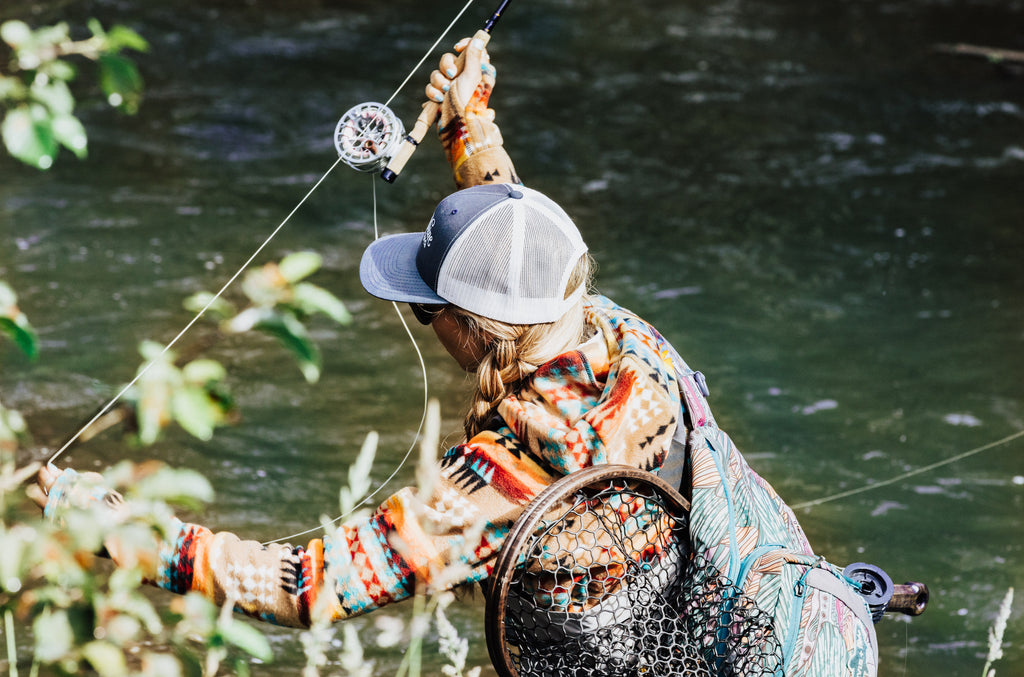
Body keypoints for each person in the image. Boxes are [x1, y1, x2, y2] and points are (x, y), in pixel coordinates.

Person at [36, 37, 880, 675]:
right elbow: (516, 239)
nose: (418, 314)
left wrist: (117, 529)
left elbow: (303, 584)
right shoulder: (620, 335)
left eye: (426, 304)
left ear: (471, 330)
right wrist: (471, 117)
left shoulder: (506, 482)